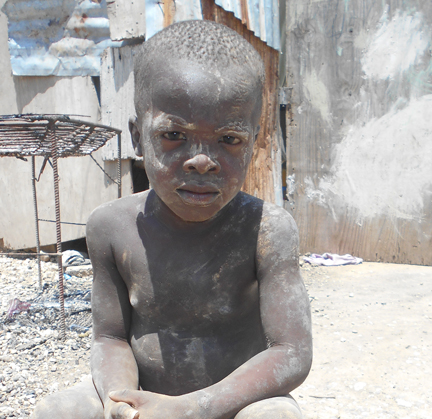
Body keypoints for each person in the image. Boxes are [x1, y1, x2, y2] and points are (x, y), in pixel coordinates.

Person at [31, 20, 312, 419]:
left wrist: (192, 408)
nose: (201, 161)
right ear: (136, 137)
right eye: (174, 135)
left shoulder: (266, 230)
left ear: (253, 142)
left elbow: (292, 353)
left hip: (233, 404)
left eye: (229, 139)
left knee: (276, 417)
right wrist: (122, 399)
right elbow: (110, 337)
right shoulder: (112, 227)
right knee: (61, 410)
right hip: (146, 400)